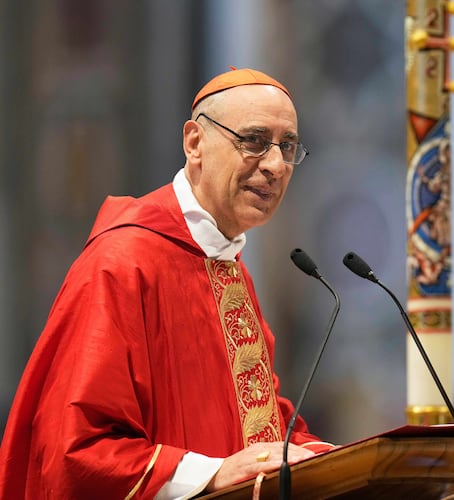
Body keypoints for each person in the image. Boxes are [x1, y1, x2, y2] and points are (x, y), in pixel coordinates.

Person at [0, 67, 332, 499]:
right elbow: (77, 449)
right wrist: (212, 474)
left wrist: (340, 459)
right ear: (195, 143)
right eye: (253, 141)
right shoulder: (123, 264)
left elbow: (259, 428)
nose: (274, 165)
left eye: (287, 147)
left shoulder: (227, 267)